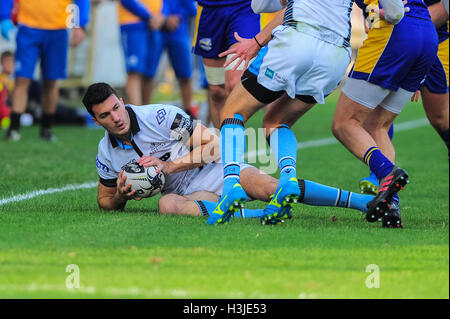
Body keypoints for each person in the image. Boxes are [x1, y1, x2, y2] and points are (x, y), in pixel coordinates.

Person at [81, 82, 376, 222]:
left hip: (217, 169)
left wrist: (168, 167)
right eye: (105, 116)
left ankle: (364, 203)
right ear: (96, 121)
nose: (116, 117)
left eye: (116, 108)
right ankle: (260, 215)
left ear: (121, 101)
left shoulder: (158, 118)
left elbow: (216, 146)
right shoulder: (106, 153)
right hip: (187, 194)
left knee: (274, 187)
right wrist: (121, 194)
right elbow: (105, 201)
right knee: (167, 206)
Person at [331, 0, 439, 227]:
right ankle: (392, 206)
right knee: (377, 126)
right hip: (426, 35)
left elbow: (394, 11)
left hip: (394, 34)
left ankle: (388, 172)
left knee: (344, 124)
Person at [358, 0, 449, 195]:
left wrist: (415, 37)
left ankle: (383, 178)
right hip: (398, 36)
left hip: (435, 39)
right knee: (374, 109)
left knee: (440, 117)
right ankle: (381, 177)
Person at [0, 0, 90, 142]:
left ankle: (46, 128)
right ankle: (14, 128)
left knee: (51, 81)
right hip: (28, 28)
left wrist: (80, 24)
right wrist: (4, 17)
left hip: (58, 29)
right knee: (22, 79)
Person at [192, 0, 261, 128]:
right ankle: (222, 144)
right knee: (216, 91)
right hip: (209, 10)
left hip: (244, 8)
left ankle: (233, 144)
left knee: (235, 83)